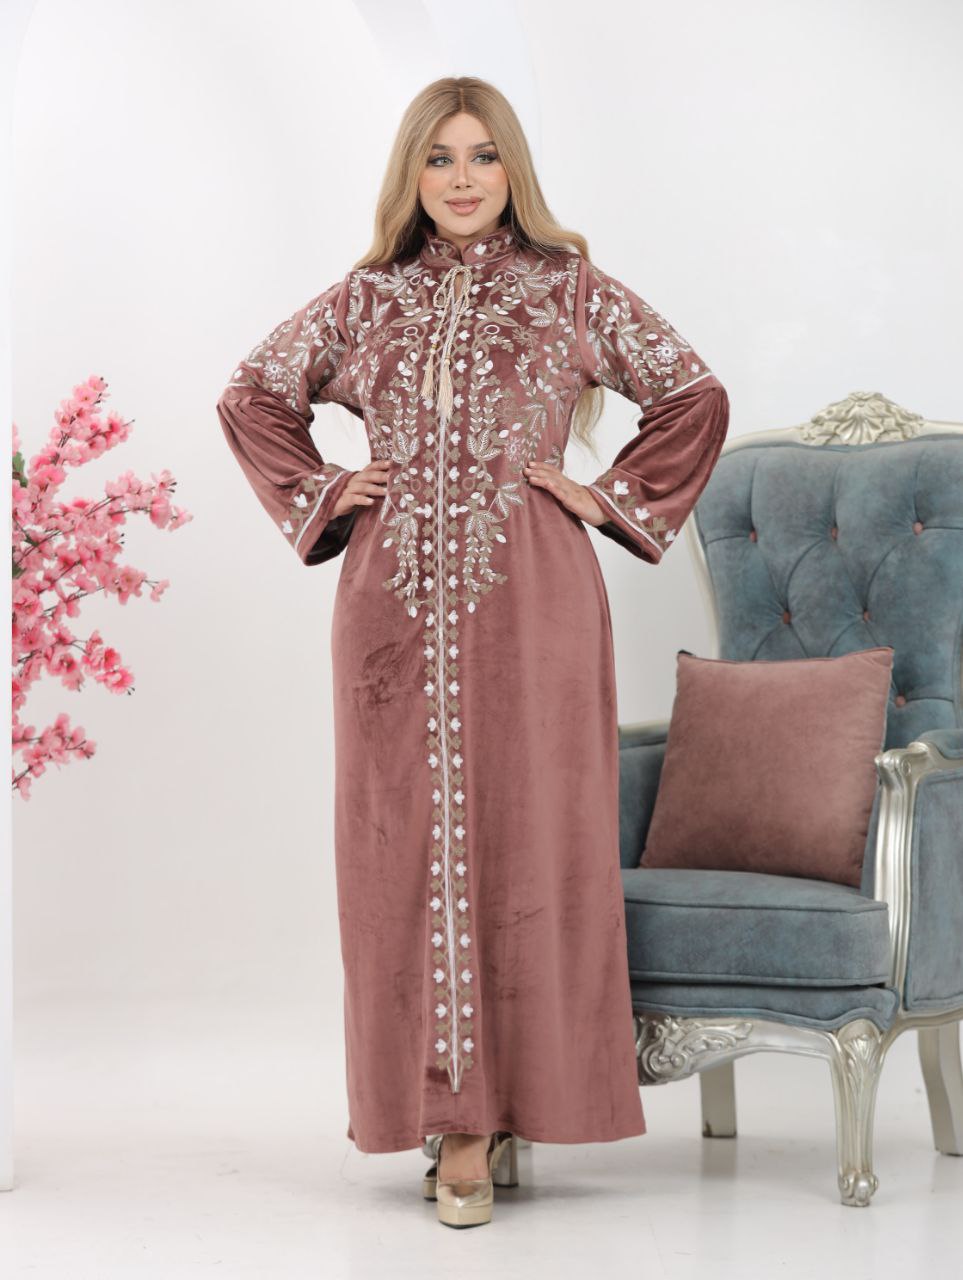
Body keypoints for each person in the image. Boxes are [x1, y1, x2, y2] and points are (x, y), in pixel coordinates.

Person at [216, 74, 730, 1228]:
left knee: (531, 839)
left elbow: (693, 395)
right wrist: (326, 490)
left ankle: (506, 1109)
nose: (461, 178)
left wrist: (609, 499)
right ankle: (451, 1117)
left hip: (535, 608)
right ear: (413, 172)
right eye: (440, 157)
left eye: (483, 156)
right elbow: (251, 396)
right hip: (390, 616)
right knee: (399, 851)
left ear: (512, 170)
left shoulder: (568, 289)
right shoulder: (367, 300)